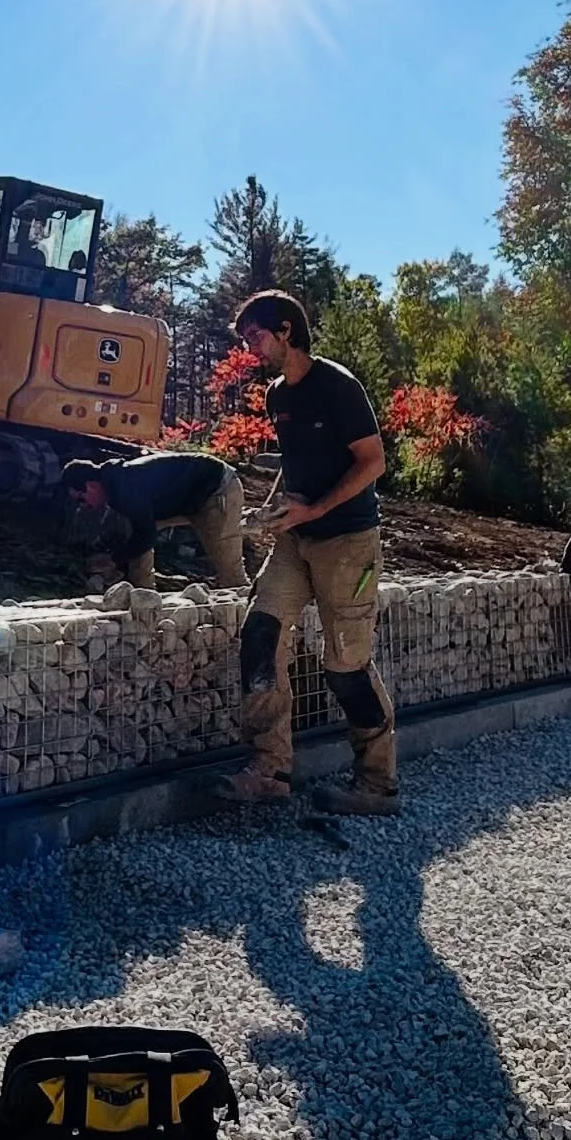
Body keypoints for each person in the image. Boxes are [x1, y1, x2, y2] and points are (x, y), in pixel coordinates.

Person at [212, 289, 399, 817]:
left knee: (346, 666)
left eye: (255, 335)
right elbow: (294, 467)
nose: (250, 348)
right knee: (260, 634)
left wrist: (314, 510)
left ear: (286, 331)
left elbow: (373, 462)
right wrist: (273, 511)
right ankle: (270, 769)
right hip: (297, 540)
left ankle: (377, 785)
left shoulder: (338, 386)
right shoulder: (278, 395)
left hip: (348, 543)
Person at [62, 452, 248, 590]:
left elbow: (147, 534)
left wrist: (112, 560)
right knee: (133, 532)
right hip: (186, 498)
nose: (83, 507)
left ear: (91, 486)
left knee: (231, 575)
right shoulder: (115, 483)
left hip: (217, 489)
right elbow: (139, 532)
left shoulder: (124, 488)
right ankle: (142, 593)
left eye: (81, 500)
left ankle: (249, 619)